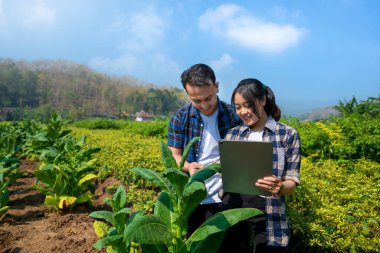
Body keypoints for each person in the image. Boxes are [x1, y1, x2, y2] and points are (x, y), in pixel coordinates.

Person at [220, 78, 301, 253]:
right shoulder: (233, 134)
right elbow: (227, 171)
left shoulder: (287, 134)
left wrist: (279, 187)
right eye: (238, 106)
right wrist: (221, 168)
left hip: (268, 207)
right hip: (234, 203)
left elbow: (292, 179)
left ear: (263, 100)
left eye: (248, 105)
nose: (243, 112)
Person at [167, 63, 242, 235]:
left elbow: (242, 153)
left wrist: (227, 165)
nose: (204, 105)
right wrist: (188, 166)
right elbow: (174, 156)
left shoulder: (233, 116)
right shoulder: (180, 118)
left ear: (217, 87)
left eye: (208, 98)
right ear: (188, 95)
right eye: (196, 101)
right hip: (193, 198)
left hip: (227, 195)